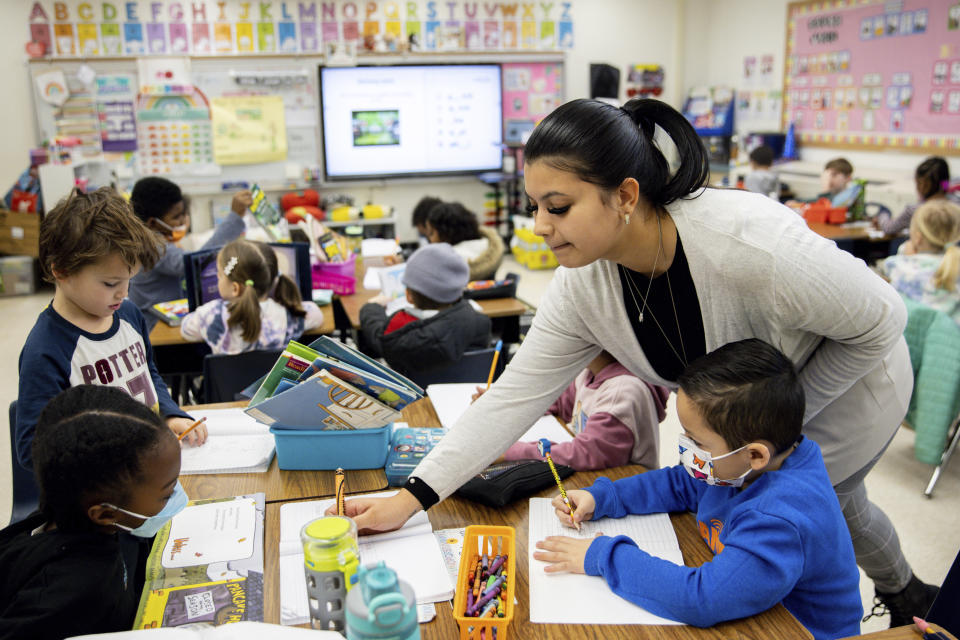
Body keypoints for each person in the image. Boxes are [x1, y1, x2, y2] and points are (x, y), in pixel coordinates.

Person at [334, 98, 936, 626]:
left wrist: (780, 420)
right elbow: (514, 397)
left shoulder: (752, 244)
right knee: (805, 511)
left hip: (849, 383)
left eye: (558, 206)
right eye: (535, 205)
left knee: (809, 514)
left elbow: (882, 319)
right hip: (752, 418)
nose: (539, 225)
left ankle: (880, 600)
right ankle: (901, 589)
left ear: (625, 195)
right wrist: (411, 498)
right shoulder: (583, 284)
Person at [534, 339, 861, 638]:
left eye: (697, 441)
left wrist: (602, 555)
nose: (687, 450)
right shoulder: (735, 468)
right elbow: (678, 483)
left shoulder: (781, 519)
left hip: (794, 630)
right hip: (754, 610)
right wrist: (602, 497)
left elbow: (702, 599)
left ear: (755, 454)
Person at [16, 188, 205, 472]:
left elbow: (148, 375)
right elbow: (32, 448)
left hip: (146, 472)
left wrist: (168, 414)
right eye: (109, 284)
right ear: (62, 270)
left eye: (128, 280)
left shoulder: (129, 315)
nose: (123, 293)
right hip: (100, 490)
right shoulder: (46, 350)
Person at [0, 385, 186, 640]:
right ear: (104, 514)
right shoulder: (76, 593)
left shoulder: (66, 515)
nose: (175, 499)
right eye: (167, 494)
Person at [478, 350, 669, 470]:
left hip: (620, 486)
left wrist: (512, 452)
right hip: (595, 479)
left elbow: (584, 454)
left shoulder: (621, 393)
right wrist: (502, 405)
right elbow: (557, 402)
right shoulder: (589, 371)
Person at [128, 176, 251, 329]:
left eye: (183, 214)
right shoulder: (151, 245)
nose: (182, 221)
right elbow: (192, 264)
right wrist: (234, 217)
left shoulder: (153, 239)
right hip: (156, 327)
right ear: (153, 223)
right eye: (176, 217)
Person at [358, 242, 491, 379]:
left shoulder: (399, 327)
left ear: (409, 296)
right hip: (462, 394)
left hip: (416, 398)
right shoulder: (480, 322)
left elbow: (379, 337)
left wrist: (371, 307)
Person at [179, 239, 324, 354]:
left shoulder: (210, 314)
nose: (217, 277)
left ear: (235, 288)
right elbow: (317, 315)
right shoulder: (289, 315)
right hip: (274, 391)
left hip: (229, 391)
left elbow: (186, 329)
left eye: (220, 274)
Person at [881, 200, 960, 324]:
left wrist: (904, 255)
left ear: (917, 239)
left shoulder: (897, 266)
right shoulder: (953, 266)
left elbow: (888, 268)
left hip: (909, 339)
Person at [877, 156, 959, 236]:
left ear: (922, 185)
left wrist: (883, 214)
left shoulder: (914, 210)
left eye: (918, 183)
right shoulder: (956, 206)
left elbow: (888, 228)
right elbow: (946, 185)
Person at [425, 201, 505, 280]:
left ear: (445, 233)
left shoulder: (448, 261)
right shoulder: (487, 246)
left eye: (431, 233)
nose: (430, 240)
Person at [785, 157, 854, 208]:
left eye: (834, 175)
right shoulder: (830, 196)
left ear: (848, 178)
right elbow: (815, 201)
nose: (829, 179)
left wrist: (826, 189)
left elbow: (829, 207)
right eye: (827, 175)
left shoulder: (851, 198)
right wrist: (797, 203)